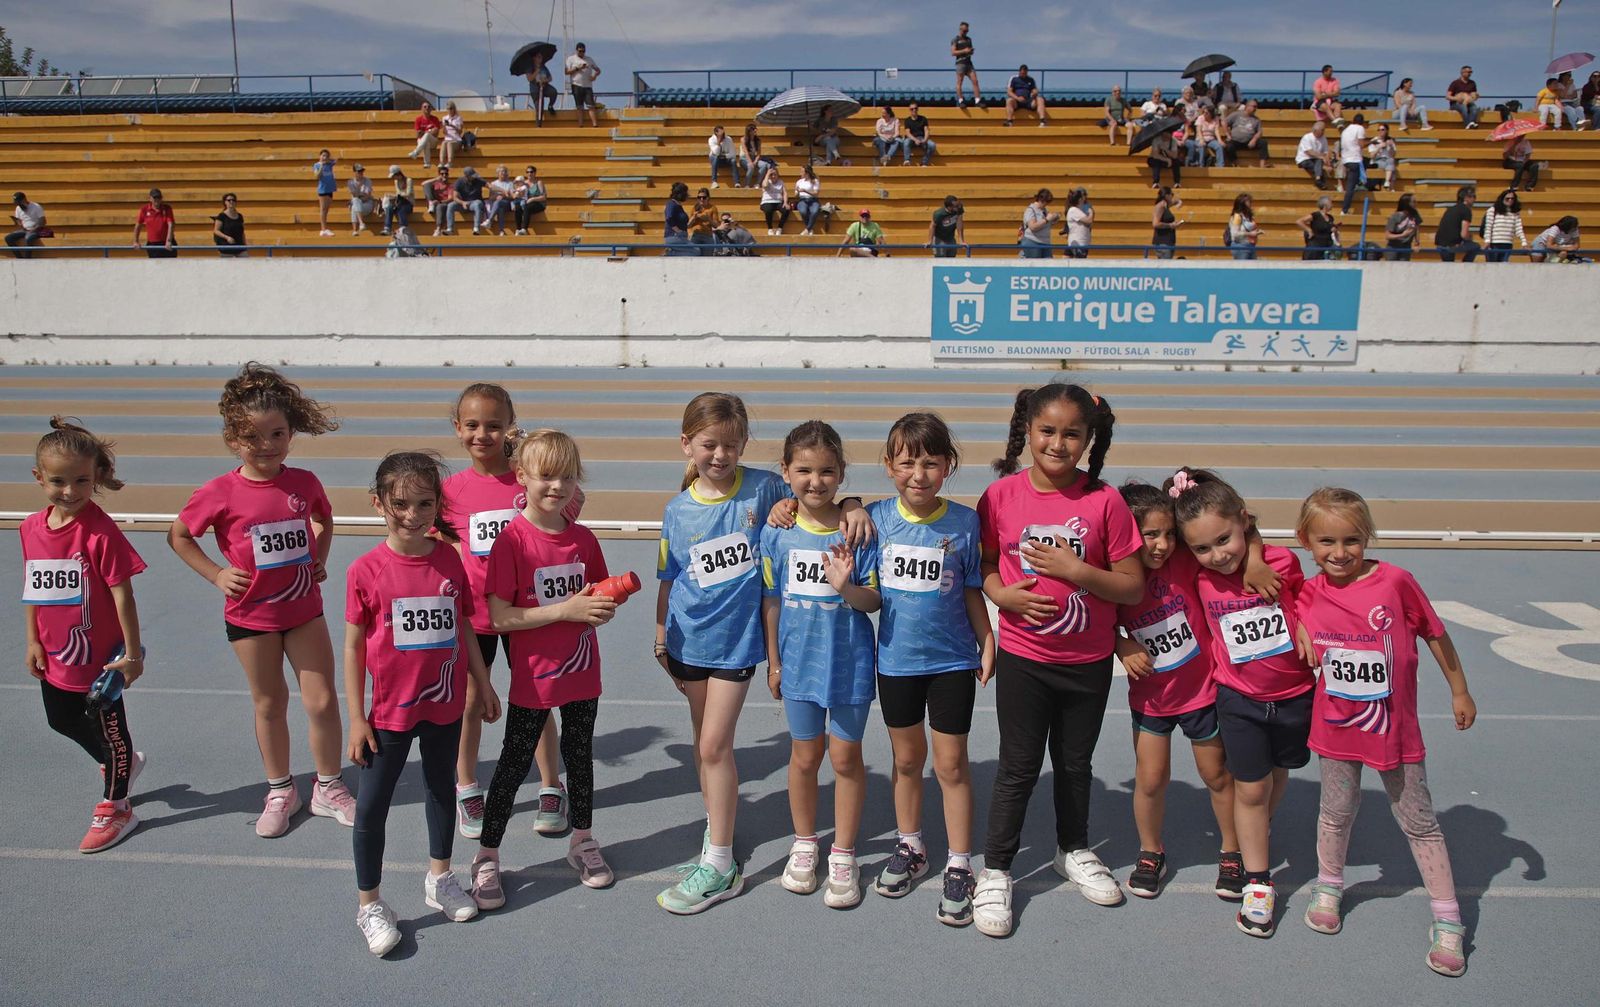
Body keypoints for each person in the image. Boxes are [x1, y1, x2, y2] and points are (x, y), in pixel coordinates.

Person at [970, 385, 1144, 939]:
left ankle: (1074, 848)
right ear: (1026, 431)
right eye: (1048, 430)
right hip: (1026, 658)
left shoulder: (1105, 502)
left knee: (1075, 764)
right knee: (1017, 765)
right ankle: (996, 867)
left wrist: (1077, 572)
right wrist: (1002, 597)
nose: (1058, 442)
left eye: (1072, 433)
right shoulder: (1000, 496)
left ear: (1089, 439)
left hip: (1087, 660)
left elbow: (1132, 586)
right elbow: (988, 566)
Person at [1294, 488, 1476, 978]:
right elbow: (1257, 565)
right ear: (1305, 542)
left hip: (1393, 732)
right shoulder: (1306, 594)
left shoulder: (1396, 582)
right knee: (1335, 811)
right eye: (1326, 541)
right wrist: (1301, 631)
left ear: (1368, 537)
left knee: (1418, 820)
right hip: (1335, 729)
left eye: (1352, 539)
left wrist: (1459, 690)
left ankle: (1447, 918)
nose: (1339, 552)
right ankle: (1329, 885)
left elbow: (1435, 633)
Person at [167, 364, 353, 839]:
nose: (267, 444)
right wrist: (216, 573)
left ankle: (329, 786)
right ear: (232, 438)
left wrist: (319, 557)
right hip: (252, 616)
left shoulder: (305, 483)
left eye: (277, 434)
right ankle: (280, 789)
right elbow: (180, 535)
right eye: (253, 436)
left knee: (322, 698)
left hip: (303, 610)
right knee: (270, 702)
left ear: (291, 434)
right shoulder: (219, 492)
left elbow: (323, 521)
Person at [345, 451, 502, 956]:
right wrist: (355, 717)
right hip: (389, 714)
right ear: (378, 504)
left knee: (441, 791)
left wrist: (483, 684)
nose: (413, 514)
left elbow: (462, 626)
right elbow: (351, 645)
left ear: (439, 505)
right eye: (400, 504)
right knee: (372, 807)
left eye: (425, 504)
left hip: (445, 705)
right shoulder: (365, 569)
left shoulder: (448, 559)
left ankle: (440, 878)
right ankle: (370, 903)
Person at [652, 394, 798, 913]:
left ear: (742, 447)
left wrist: (844, 507)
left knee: (715, 745)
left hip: (738, 644)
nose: (720, 455)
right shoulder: (677, 510)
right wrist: (660, 636)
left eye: (731, 446)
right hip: (688, 640)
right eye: (709, 445)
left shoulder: (765, 488)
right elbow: (670, 580)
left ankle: (722, 864)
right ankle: (715, 839)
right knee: (702, 744)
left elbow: (815, 493)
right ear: (687, 444)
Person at [1167, 466, 1315, 939]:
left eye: (1224, 540)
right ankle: (1258, 880)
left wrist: (1254, 557)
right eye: (1202, 548)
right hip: (1239, 698)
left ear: (1244, 523)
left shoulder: (1281, 564)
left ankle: (1255, 836)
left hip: (1294, 697)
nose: (1216, 555)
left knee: (1277, 775)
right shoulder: (1200, 574)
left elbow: (1307, 602)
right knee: (1249, 789)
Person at [472, 429, 617, 907]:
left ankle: (584, 841)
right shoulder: (512, 542)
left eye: (568, 477)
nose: (557, 486)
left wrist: (604, 603)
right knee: (514, 764)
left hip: (582, 671)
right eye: (546, 476)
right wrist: (565, 612)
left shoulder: (582, 538)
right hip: (534, 677)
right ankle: (487, 855)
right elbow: (499, 618)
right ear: (522, 478)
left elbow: (595, 592)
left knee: (580, 757)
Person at [866, 414, 994, 921]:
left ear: (948, 467)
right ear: (889, 466)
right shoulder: (874, 519)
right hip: (895, 662)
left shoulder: (964, 523)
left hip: (952, 662)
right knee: (905, 760)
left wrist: (988, 638)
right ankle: (911, 845)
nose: (918, 473)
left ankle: (960, 863)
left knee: (951, 764)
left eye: (930, 462)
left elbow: (969, 589)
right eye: (906, 462)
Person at [439, 386, 573, 843]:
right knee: (471, 702)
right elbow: (433, 540)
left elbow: (569, 506)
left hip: (526, 613)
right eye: (472, 425)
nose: (483, 434)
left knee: (535, 700)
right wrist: (450, 547)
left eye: (494, 425)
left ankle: (551, 786)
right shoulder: (449, 492)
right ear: (458, 429)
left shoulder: (526, 478)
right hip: (475, 615)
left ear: (509, 427)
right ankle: (467, 788)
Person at [762, 421, 882, 911]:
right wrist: (773, 661)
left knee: (846, 760)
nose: (816, 481)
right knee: (805, 759)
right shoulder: (778, 533)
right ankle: (805, 843)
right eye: (804, 471)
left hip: (850, 666)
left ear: (842, 474)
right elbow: (770, 599)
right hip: (798, 668)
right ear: (786, 473)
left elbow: (872, 599)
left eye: (827, 471)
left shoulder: (858, 530)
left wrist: (845, 587)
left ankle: (844, 853)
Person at [1112, 483, 1245, 902]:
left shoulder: (1185, 561)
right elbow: (1098, 620)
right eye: (1151, 535)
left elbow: (1243, 526)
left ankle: (1232, 851)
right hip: (1152, 699)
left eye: (1169, 533)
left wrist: (1255, 558)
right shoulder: (1118, 577)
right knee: (1150, 780)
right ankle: (1151, 851)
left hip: (1201, 693)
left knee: (1217, 776)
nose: (1163, 544)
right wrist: (1121, 643)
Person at [23, 417, 148, 853]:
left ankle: (118, 806)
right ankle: (120, 764)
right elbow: (34, 587)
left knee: (111, 730)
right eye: (58, 481)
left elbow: (123, 595)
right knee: (60, 719)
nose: (70, 491)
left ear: (96, 478)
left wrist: (132, 653)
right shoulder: (31, 529)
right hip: (56, 653)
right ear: (39, 478)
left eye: (81, 480)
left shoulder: (99, 532)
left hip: (103, 657)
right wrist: (33, 640)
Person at [1433, 186, 1479, 262]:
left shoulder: (1451, 209)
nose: (1474, 199)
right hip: (1452, 246)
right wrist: (1469, 237)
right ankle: (1466, 266)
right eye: (1473, 196)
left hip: (1440, 244)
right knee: (1476, 246)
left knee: (1448, 266)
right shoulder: (1466, 210)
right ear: (1466, 198)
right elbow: (1464, 235)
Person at [1481, 188, 1528, 262]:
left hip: (1508, 243)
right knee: (1492, 266)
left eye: (1512, 199)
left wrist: (1524, 242)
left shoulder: (1515, 212)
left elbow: (1519, 229)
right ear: (1502, 199)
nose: (1510, 200)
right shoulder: (1493, 210)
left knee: (1503, 267)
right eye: (1507, 198)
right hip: (1494, 243)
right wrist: (1487, 241)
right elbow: (1488, 227)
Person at [1224, 100, 1272, 168]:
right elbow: (1224, 122)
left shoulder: (1256, 119)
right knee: (1228, 145)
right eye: (1254, 107)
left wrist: (1254, 140)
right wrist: (1227, 134)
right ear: (1247, 106)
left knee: (1263, 143)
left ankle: (1262, 164)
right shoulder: (1236, 114)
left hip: (1249, 142)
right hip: (1235, 141)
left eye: (1256, 107)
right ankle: (1234, 163)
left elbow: (1259, 132)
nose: (1255, 109)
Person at [565, 42, 602, 128]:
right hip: (576, 84)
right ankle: (581, 124)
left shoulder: (589, 59)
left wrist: (594, 76)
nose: (581, 53)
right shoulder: (571, 59)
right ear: (576, 50)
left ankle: (595, 124)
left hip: (588, 85)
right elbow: (566, 72)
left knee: (591, 105)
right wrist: (578, 68)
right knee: (579, 106)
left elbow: (598, 70)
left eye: (583, 51)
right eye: (580, 51)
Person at [132, 187, 177, 257]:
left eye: (158, 197)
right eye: (154, 197)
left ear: (161, 198)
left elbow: (171, 225)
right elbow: (138, 226)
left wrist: (169, 241)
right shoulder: (144, 209)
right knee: (155, 266)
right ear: (150, 198)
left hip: (166, 243)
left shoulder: (167, 208)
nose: (157, 199)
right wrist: (135, 241)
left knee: (171, 266)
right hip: (153, 245)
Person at [1338, 114, 1368, 215]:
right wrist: (1372, 142)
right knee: (1350, 187)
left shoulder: (1345, 130)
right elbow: (1362, 144)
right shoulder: (1360, 128)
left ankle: (1359, 183)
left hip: (1345, 159)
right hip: (1355, 159)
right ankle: (1344, 210)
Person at [1297, 195, 1341, 260]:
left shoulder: (1330, 217)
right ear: (1325, 205)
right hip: (1315, 247)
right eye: (1331, 203)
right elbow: (1299, 221)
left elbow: (1331, 230)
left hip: (1326, 247)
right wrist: (1309, 230)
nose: (1332, 205)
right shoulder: (1315, 215)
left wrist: (1334, 230)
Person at [1020, 188, 1057, 259]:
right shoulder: (1031, 210)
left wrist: (1053, 219)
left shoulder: (1044, 210)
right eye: (1046, 202)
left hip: (1045, 243)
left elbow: (1043, 224)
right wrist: (1046, 219)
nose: (1046, 204)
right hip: (1033, 242)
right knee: (1035, 266)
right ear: (1041, 200)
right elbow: (1033, 227)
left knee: (1049, 265)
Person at [8, 190, 47, 257]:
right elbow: (19, 221)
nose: (19, 205)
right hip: (25, 230)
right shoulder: (18, 208)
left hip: (37, 230)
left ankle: (27, 258)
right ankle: (19, 257)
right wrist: (17, 222)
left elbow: (43, 221)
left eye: (20, 202)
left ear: (24, 200)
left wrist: (34, 229)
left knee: (29, 238)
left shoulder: (36, 206)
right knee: (8, 238)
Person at [757, 165, 792, 237]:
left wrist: (785, 202)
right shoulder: (767, 181)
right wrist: (767, 174)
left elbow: (785, 193)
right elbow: (765, 185)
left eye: (775, 174)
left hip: (778, 202)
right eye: (771, 175)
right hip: (767, 201)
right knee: (768, 210)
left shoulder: (781, 182)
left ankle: (780, 228)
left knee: (786, 210)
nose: (773, 176)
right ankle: (770, 228)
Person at [452, 166, 489, 236]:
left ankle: (476, 228)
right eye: (472, 176)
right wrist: (462, 202)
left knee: (477, 204)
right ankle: (450, 228)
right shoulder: (459, 182)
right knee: (451, 205)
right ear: (467, 176)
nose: (474, 177)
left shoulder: (478, 180)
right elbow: (455, 197)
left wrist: (502, 190)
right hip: (464, 202)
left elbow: (490, 186)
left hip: (475, 202)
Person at [1296, 120, 1333, 189]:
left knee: (1319, 162)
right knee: (1319, 165)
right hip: (1304, 159)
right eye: (1321, 131)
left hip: (1316, 160)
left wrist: (1327, 163)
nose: (1322, 133)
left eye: (1323, 130)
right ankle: (1320, 180)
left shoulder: (1323, 138)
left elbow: (1326, 152)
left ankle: (1318, 179)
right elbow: (1309, 152)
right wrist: (1322, 159)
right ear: (1315, 130)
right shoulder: (1307, 137)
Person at [1384, 193, 1422, 260]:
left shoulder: (1415, 214)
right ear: (1407, 203)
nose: (1416, 204)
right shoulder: (1395, 217)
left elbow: (1417, 229)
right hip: (1393, 247)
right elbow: (1387, 235)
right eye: (1414, 202)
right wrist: (1402, 235)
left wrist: (1417, 243)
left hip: (1406, 246)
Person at [952, 22, 981, 107]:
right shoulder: (955, 40)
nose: (965, 32)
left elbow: (969, 51)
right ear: (960, 29)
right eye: (964, 30)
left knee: (975, 81)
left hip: (969, 63)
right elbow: (953, 52)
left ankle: (977, 100)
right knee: (959, 82)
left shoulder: (969, 39)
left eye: (967, 30)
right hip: (960, 63)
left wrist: (970, 51)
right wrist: (964, 51)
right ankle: (961, 100)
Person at [1151, 187, 1184, 258]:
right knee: (1165, 264)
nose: (1172, 196)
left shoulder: (1166, 205)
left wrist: (1179, 202)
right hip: (1162, 242)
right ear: (1166, 195)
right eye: (1171, 194)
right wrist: (1170, 225)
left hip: (1169, 241)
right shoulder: (1161, 206)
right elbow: (1155, 224)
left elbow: (1176, 201)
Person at [526, 51, 557, 126]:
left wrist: (544, 80)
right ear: (534, 58)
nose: (541, 58)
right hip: (535, 89)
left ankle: (550, 106)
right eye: (539, 57)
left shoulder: (544, 67)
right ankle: (538, 125)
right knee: (539, 107)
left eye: (541, 57)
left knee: (553, 92)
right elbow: (529, 78)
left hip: (544, 86)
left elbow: (550, 78)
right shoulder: (530, 67)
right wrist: (537, 71)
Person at [1226, 193, 1260, 260]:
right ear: (1242, 203)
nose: (1250, 203)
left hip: (1250, 246)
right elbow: (1235, 233)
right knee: (1243, 268)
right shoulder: (1237, 216)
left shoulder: (1249, 216)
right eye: (1248, 201)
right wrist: (1251, 234)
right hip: (1241, 246)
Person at [380, 166, 413, 236]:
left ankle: (403, 228)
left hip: (408, 203)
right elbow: (398, 194)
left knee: (401, 210)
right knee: (389, 207)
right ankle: (387, 228)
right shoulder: (396, 182)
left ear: (398, 174)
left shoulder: (408, 180)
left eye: (394, 176)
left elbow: (408, 194)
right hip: (399, 202)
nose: (393, 178)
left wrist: (395, 196)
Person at [663, 181, 694, 255]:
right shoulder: (671, 204)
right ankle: (670, 254)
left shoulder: (678, 206)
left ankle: (672, 253)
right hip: (674, 236)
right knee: (695, 250)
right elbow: (669, 217)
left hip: (681, 237)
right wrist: (678, 231)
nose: (687, 195)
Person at [486, 165, 517, 236]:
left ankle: (490, 220)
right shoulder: (493, 184)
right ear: (498, 173)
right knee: (500, 208)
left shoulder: (510, 183)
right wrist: (496, 196)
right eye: (502, 171)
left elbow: (512, 197)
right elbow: (490, 198)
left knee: (499, 203)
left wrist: (503, 196)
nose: (504, 173)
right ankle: (501, 231)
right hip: (497, 205)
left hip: (507, 203)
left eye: (505, 171)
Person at [409, 101, 443, 167]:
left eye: (428, 107)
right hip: (422, 140)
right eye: (425, 107)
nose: (427, 108)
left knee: (427, 135)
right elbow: (418, 134)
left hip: (433, 141)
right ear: (422, 109)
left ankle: (416, 152)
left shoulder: (435, 119)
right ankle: (427, 163)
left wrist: (425, 132)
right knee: (426, 142)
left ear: (431, 109)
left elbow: (436, 133)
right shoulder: (418, 119)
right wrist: (430, 131)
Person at [312, 149, 337, 237]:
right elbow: (316, 176)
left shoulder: (329, 164)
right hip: (323, 190)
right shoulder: (317, 165)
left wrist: (328, 160)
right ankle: (323, 229)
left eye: (326, 156)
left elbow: (336, 160)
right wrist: (321, 165)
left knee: (326, 210)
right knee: (323, 209)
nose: (324, 157)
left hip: (330, 189)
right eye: (323, 155)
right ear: (320, 156)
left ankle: (325, 228)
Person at [688, 186, 721, 252]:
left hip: (707, 236)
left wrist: (708, 219)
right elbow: (689, 225)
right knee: (694, 257)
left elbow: (717, 225)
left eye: (704, 197)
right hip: (696, 235)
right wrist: (694, 217)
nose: (701, 199)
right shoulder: (695, 207)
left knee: (707, 258)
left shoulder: (712, 208)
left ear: (708, 198)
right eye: (699, 197)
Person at [1063, 187, 1093, 258]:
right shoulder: (1073, 210)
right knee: (1079, 263)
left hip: (1082, 241)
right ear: (1080, 199)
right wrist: (1091, 212)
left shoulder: (1078, 209)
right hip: (1078, 242)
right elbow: (1088, 221)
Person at [739, 124, 772, 189]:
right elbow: (746, 152)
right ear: (749, 131)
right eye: (753, 129)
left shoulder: (758, 140)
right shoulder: (743, 139)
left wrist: (755, 161)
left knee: (764, 165)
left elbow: (759, 153)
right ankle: (747, 184)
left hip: (754, 157)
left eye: (755, 129)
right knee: (750, 166)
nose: (755, 131)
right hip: (744, 158)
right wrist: (750, 162)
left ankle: (757, 183)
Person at [348, 164, 377, 237]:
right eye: (359, 171)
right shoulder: (351, 182)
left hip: (367, 204)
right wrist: (359, 191)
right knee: (355, 203)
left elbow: (367, 196)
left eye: (362, 171)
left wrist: (359, 196)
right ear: (354, 172)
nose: (361, 173)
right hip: (358, 204)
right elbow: (355, 194)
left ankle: (356, 228)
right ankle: (360, 225)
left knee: (355, 203)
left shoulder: (368, 181)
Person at [1368, 123, 1399, 190]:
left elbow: (1393, 155)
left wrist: (1390, 146)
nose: (1380, 131)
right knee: (1392, 166)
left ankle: (1387, 182)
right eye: (1379, 130)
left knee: (1391, 161)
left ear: (1386, 131)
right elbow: (1372, 156)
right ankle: (1391, 187)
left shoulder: (1390, 140)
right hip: (1377, 161)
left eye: (1382, 129)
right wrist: (1379, 147)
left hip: (1387, 160)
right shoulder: (1374, 141)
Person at [793, 165, 822, 235]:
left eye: (802, 172)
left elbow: (816, 193)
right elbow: (795, 195)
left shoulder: (814, 181)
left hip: (813, 200)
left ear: (807, 173)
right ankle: (809, 229)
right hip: (802, 200)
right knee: (803, 211)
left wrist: (805, 191)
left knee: (814, 211)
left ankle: (807, 229)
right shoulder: (799, 182)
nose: (800, 173)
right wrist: (798, 191)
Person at [425, 167, 453, 236]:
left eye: (446, 174)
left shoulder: (450, 186)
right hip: (434, 201)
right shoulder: (435, 183)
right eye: (442, 174)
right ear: (439, 174)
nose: (444, 175)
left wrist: (440, 202)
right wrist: (436, 179)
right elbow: (423, 184)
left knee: (440, 207)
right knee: (427, 185)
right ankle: (431, 203)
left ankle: (438, 229)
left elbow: (450, 198)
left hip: (443, 203)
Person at [439, 101, 465, 168]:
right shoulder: (444, 118)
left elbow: (460, 132)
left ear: (454, 109)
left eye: (451, 108)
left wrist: (452, 125)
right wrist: (444, 126)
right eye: (448, 109)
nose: (449, 110)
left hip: (456, 139)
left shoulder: (459, 118)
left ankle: (450, 162)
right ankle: (442, 162)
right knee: (444, 143)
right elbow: (444, 133)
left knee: (449, 143)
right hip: (448, 138)